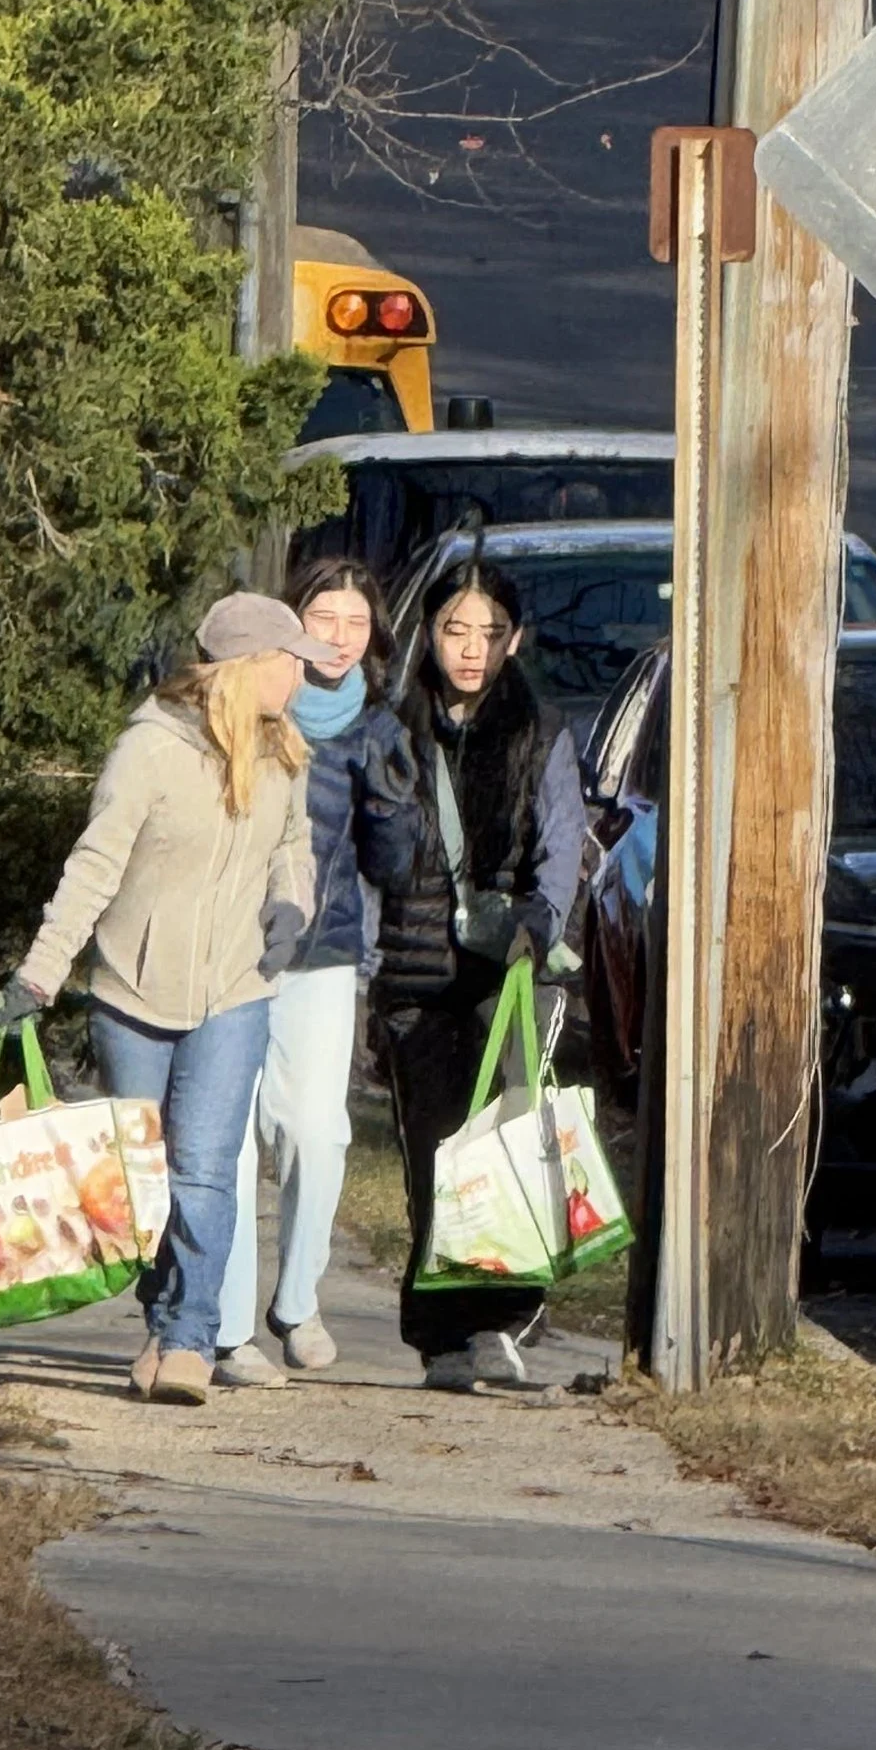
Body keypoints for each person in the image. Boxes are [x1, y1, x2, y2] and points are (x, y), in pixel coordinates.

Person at [0, 592, 314, 1407]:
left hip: (236, 990)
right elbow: (94, 865)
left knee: (207, 1169)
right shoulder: (149, 750)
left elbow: (292, 845)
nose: (304, 673)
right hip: (134, 990)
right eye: (291, 658)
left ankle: (189, 1338)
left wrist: (291, 906)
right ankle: (162, 1314)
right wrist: (39, 973)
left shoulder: (284, 752)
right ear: (246, 666)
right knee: (147, 1178)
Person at [359, 554, 591, 1393]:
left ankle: (500, 1320)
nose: (472, 647)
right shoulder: (395, 729)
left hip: (510, 973)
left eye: (490, 632)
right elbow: (374, 858)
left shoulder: (543, 730)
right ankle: (439, 1335)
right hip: (417, 972)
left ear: (515, 640)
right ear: (430, 633)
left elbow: (562, 844)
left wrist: (540, 923)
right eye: (457, 629)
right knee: (434, 1152)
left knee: (506, 1145)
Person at [213, 555, 406, 1386]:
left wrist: (390, 804)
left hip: (324, 951)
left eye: (356, 622)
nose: (337, 635)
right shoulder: (246, 709)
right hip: (227, 949)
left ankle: (298, 1299)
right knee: (224, 1138)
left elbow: (394, 867)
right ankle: (224, 1329)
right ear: (291, 624)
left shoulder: (379, 727)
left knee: (314, 1130)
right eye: (323, 616)